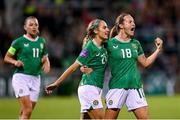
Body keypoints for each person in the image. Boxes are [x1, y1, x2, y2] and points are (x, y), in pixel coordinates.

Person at [81, 13, 163, 119]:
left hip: (135, 87)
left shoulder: (135, 44)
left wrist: (158, 50)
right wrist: (85, 63)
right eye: (130, 21)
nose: (133, 24)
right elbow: (90, 49)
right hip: (117, 87)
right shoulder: (109, 43)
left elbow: (145, 63)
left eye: (133, 22)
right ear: (121, 25)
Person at [45, 19, 109, 119]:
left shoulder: (105, 45)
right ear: (96, 30)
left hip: (96, 88)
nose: (107, 30)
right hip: (89, 88)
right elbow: (73, 67)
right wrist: (56, 83)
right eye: (104, 27)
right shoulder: (90, 47)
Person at [4, 16, 50, 119]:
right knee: (27, 109)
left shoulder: (42, 41)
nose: (34, 27)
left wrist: (47, 63)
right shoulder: (18, 42)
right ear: (25, 27)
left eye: (36, 25)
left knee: (26, 112)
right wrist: (15, 62)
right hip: (21, 77)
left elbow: (45, 56)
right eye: (31, 25)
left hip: (36, 78)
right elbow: (6, 57)